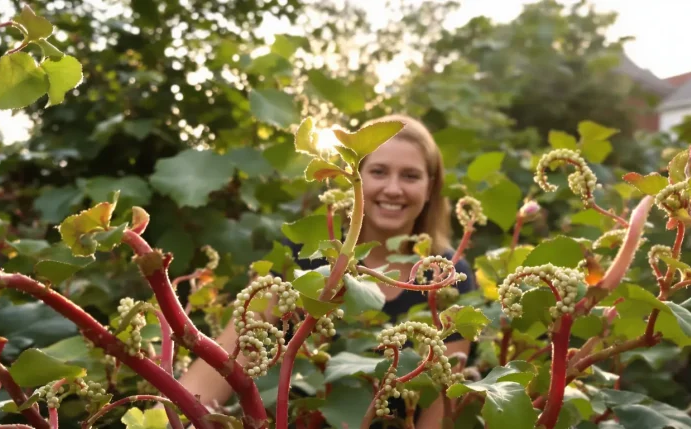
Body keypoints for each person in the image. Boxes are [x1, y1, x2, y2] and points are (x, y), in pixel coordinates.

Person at [178, 114, 477, 427]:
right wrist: (169, 417)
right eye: (378, 171)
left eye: (410, 176)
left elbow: (439, 407)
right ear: (354, 177)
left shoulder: (450, 276)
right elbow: (220, 369)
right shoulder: (303, 254)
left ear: (431, 188)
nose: (393, 188)